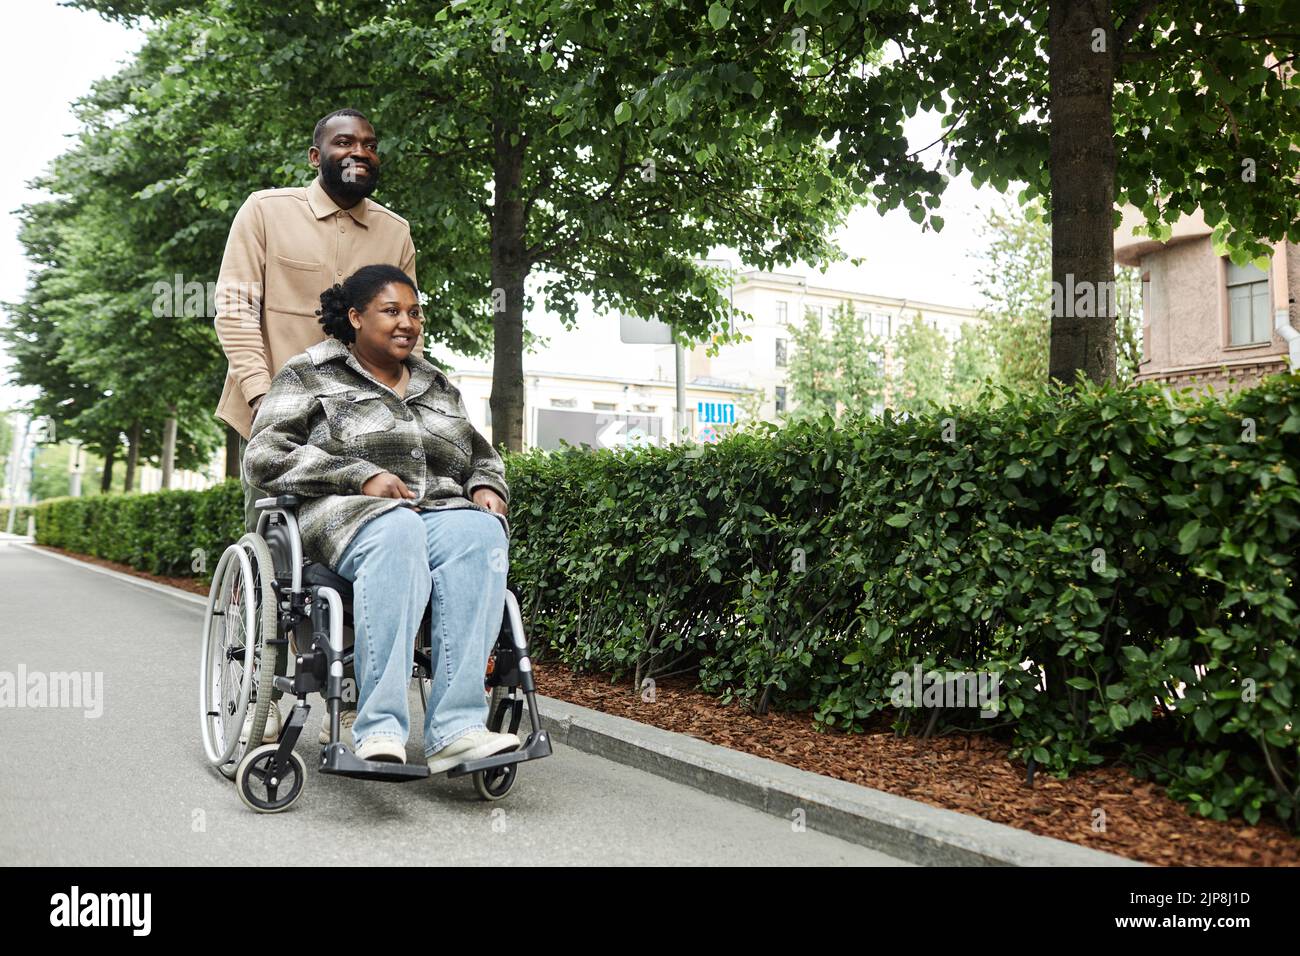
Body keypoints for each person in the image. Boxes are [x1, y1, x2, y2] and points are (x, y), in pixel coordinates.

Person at [242, 264, 520, 772]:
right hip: (344, 514)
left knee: (480, 533)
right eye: (391, 311)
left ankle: (457, 728)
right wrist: (358, 475)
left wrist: (485, 484)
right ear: (354, 317)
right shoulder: (310, 373)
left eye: (414, 312)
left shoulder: (436, 383)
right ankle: (380, 729)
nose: (406, 323)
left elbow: (481, 453)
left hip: (435, 511)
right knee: (398, 529)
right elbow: (264, 456)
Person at [215, 108, 416, 746]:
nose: (358, 152)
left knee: (370, 549)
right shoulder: (266, 213)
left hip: (363, 426)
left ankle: (354, 692)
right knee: (280, 562)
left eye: (369, 144)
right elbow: (236, 311)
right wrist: (262, 397)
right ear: (315, 156)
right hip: (279, 415)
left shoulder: (395, 232)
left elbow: (401, 327)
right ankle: (262, 687)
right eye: (344, 142)